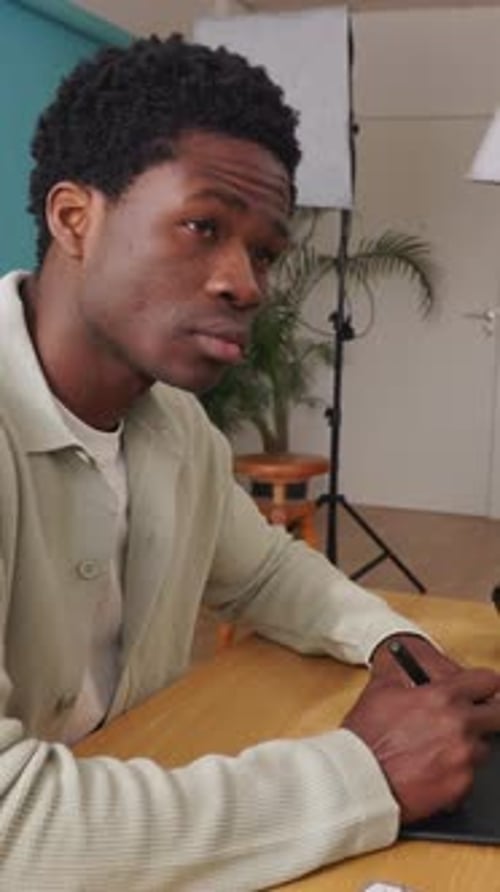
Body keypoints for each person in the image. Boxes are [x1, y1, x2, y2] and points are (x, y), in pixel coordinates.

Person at [0, 33, 499, 892]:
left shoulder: (176, 429)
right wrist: (367, 772)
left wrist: (395, 640)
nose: (247, 283)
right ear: (75, 218)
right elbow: (14, 832)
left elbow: (266, 574)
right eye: (203, 227)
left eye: (265, 252)